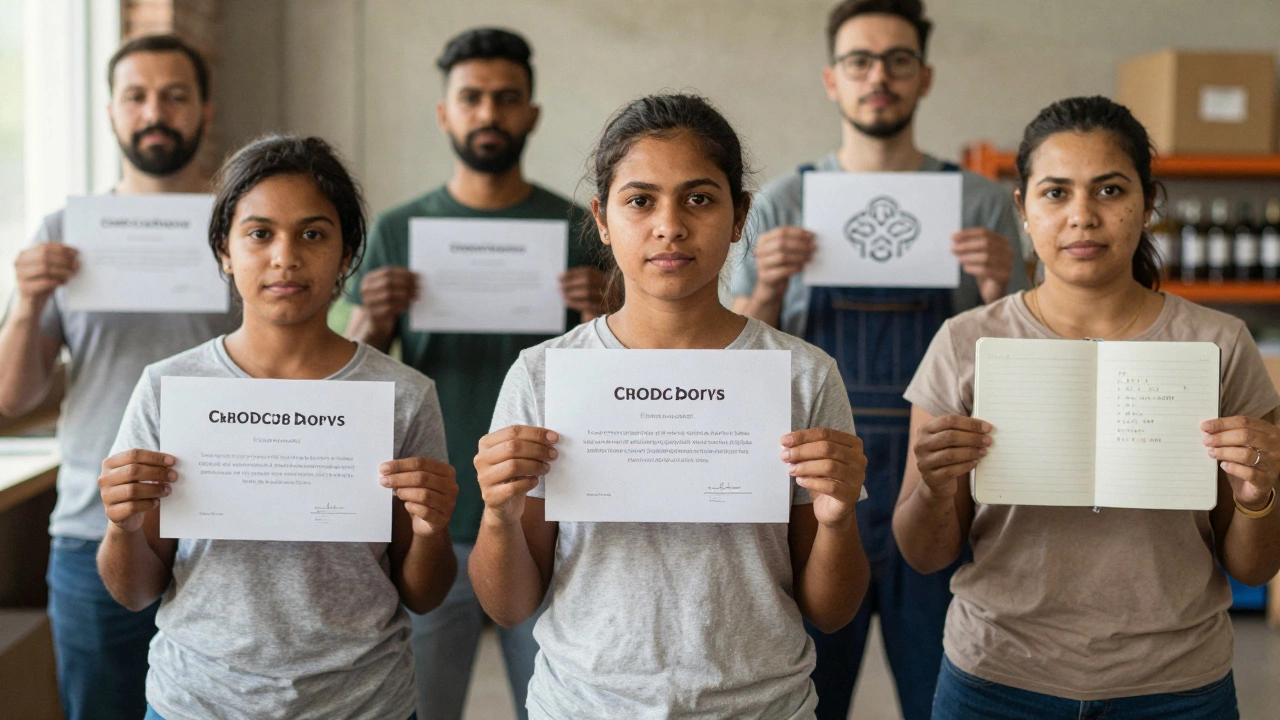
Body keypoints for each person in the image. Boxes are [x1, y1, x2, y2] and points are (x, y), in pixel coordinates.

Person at [468, 93, 871, 719]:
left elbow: (831, 609)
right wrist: (497, 514)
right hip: (584, 705)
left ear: (740, 216)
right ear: (602, 218)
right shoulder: (545, 375)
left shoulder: (802, 375)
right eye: (640, 200)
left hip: (762, 705)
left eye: (700, 198)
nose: (670, 225)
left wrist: (840, 517)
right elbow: (511, 605)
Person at [894, 96, 1280, 720]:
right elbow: (924, 553)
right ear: (1021, 208)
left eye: (1109, 190)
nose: (1082, 216)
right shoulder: (967, 343)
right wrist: (937, 488)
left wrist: (1260, 493)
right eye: (1055, 193)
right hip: (995, 677)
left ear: (1149, 202)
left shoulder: (1217, 344)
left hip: (1177, 685)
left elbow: (1254, 568)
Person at [728, 2, 1030, 717]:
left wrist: (997, 289)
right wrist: (766, 287)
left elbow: (1027, 365)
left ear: (924, 77)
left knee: (943, 694)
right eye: (860, 61)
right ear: (833, 81)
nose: (879, 77)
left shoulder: (984, 205)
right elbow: (738, 361)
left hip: (942, 478)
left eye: (898, 60)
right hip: (812, 481)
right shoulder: (782, 202)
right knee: (803, 693)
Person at [95, 135, 458, 720]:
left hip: (362, 703)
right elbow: (132, 591)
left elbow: (423, 593)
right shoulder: (169, 388)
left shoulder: (403, 395)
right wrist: (122, 525)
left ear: (346, 254)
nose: (284, 257)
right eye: (259, 233)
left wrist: (434, 528)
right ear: (224, 250)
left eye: (312, 234)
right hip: (196, 701)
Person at [343, 27, 605, 720]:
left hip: (550, 512)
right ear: (445, 113)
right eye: (472, 98)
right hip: (430, 514)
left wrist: (602, 314)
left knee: (555, 704)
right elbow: (347, 372)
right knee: (424, 707)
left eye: (506, 98)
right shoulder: (396, 232)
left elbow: (620, 374)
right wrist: (370, 322)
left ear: (532, 114)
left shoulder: (587, 228)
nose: (489, 114)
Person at [0, 34, 238, 720]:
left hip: (219, 523)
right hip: (91, 524)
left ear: (203, 109)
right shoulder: (64, 232)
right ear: (111, 112)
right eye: (136, 96)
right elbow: (13, 395)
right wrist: (30, 305)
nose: (153, 112)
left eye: (174, 96)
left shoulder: (242, 233)